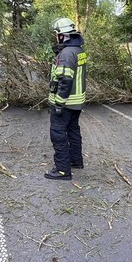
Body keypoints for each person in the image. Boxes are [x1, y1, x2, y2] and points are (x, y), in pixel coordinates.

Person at [45, 17, 87, 180]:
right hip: (77, 102)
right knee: (73, 131)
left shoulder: (66, 54)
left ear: (62, 35)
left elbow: (66, 80)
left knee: (58, 133)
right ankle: (76, 161)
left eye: (57, 34)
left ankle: (62, 170)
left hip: (66, 102)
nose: (56, 37)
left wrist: (59, 104)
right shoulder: (79, 50)